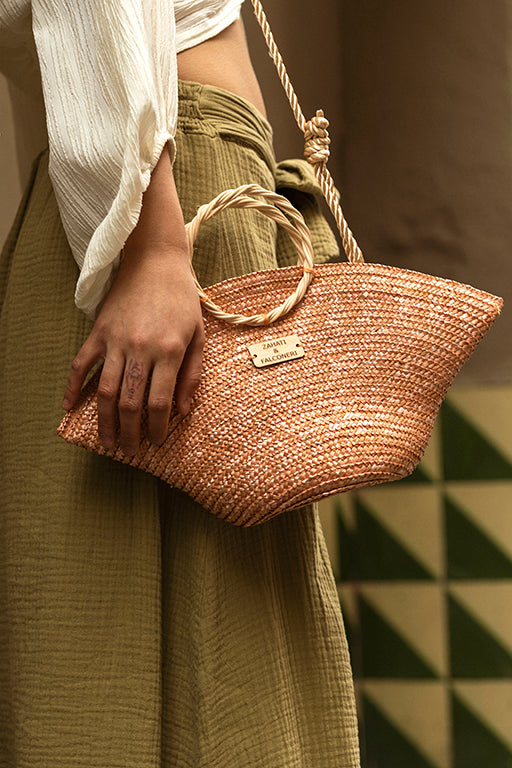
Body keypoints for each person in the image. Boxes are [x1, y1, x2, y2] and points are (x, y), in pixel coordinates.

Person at [0, 1, 360, 765]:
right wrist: (153, 246)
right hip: (153, 202)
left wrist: (151, 240)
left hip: (155, 198)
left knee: (106, 635)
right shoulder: (154, 229)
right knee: (189, 650)